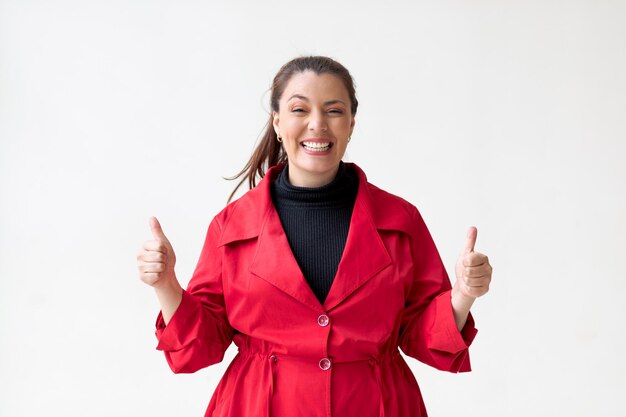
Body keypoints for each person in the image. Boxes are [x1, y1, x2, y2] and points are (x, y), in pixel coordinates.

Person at [136, 55, 493, 417]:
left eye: (334, 111)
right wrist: (166, 285)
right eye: (299, 109)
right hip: (258, 407)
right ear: (277, 121)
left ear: (352, 123)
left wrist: (463, 296)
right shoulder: (232, 228)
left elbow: (423, 336)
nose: (317, 124)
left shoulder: (399, 221)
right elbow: (199, 348)